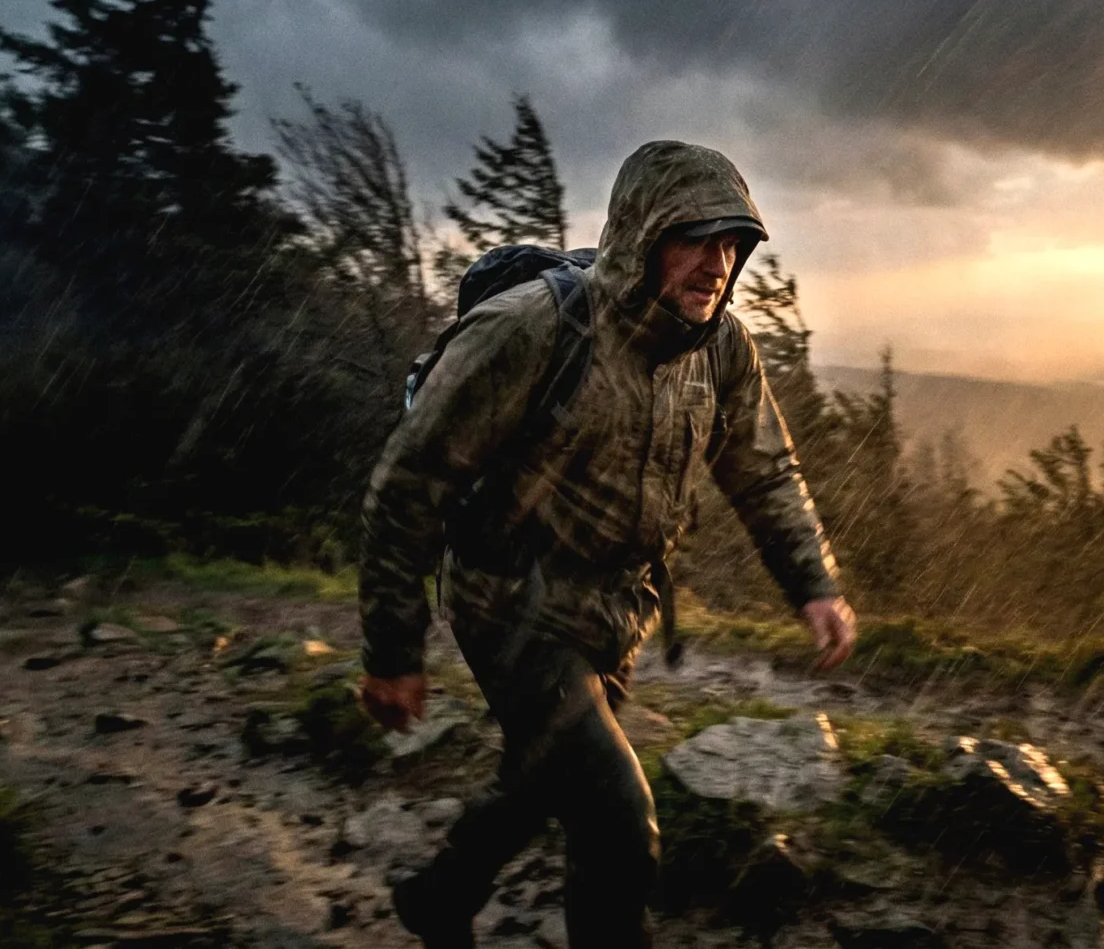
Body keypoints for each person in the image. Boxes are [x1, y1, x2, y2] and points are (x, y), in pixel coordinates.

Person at [353, 140, 859, 947]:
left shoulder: (722, 349)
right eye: (695, 238)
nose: (716, 264)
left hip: (619, 612)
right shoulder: (532, 330)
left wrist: (814, 584)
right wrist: (392, 648)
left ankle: (440, 895)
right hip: (510, 601)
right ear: (643, 236)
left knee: (543, 780)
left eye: (733, 244)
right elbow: (411, 482)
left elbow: (763, 471)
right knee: (621, 823)